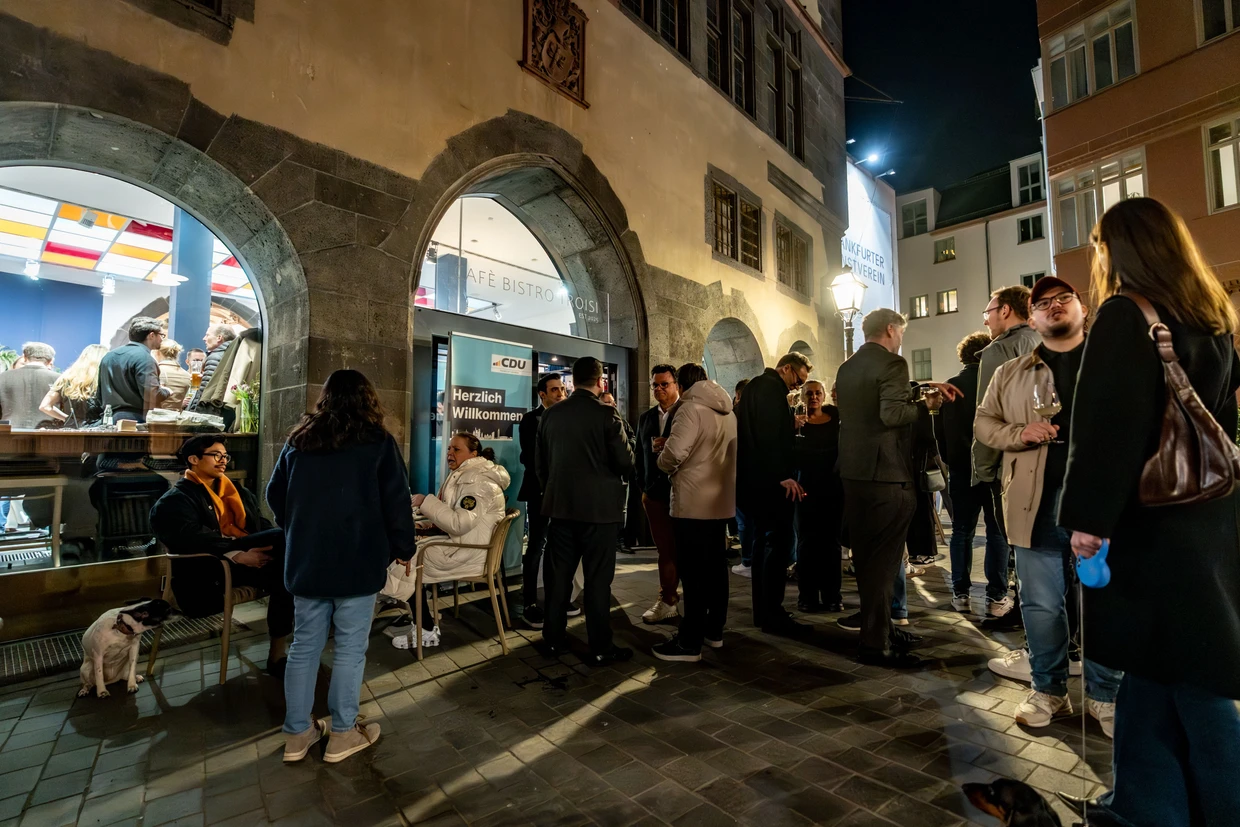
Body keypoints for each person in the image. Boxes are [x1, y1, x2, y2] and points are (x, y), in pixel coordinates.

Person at [1058, 198, 1240, 824]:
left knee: (1193, 684)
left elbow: (1108, 430)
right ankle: (1143, 805)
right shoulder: (1212, 317)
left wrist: (1088, 522)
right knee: (1163, 674)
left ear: (1120, 249)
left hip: (1154, 528)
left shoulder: (1126, 315)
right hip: (1209, 520)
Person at [974, 276, 1121, 736]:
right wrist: (1019, 434)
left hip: (1100, 502)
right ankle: (1049, 690)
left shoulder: (1112, 362)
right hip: (1034, 503)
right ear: (1032, 317)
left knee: (1100, 602)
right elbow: (983, 422)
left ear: (1082, 308)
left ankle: (1105, 696)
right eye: (1043, 303)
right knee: (1040, 605)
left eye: (1064, 299)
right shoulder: (1011, 372)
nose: (1053, 307)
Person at [266, 369, 416, 764]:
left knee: (304, 647)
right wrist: (403, 546)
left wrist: (299, 527)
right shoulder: (378, 442)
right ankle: (344, 732)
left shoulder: (299, 441)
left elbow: (274, 494)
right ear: (368, 399)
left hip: (308, 561)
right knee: (350, 648)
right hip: (358, 558)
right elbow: (396, 501)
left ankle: (297, 735)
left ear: (325, 397)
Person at [835, 309, 958, 667]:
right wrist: (925, 404)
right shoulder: (893, 364)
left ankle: (883, 629)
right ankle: (876, 643)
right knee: (885, 563)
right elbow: (892, 414)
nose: (901, 338)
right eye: (901, 332)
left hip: (855, 473)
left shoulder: (848, 366)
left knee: (870, 560)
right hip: (886, 475)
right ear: (890, 329)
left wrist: (919, 390)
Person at [149, 436, 292, 674]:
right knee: (284, 541)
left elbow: (260, 525)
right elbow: (193, 540)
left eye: (225, 455)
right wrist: (237, 554)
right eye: (216, 455)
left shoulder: (238, 492)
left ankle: (279, 655)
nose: (223, 460)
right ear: (193, 460)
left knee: (288, 570)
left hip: (246, 562)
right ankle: (321, 623)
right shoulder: (174, 501)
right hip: (210, 570)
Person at [535, 356, 634, 665]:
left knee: (558, 579)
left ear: (572, 382)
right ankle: (601, 647)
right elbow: (627, 464)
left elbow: (541, 466)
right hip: (600, 513)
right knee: (597, 581)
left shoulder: (551, 415)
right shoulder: (607, 415)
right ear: (600, 381)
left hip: (560, 510)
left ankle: (552, 640)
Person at [651, 363, 737, 663]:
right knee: (716, 569)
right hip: (719, 501)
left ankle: (689, 642)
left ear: (683, 386)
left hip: (692, 503)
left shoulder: (689, 409)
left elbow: (675, 454)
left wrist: (661, 459)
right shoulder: (728, 411)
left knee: (693, 573)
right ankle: (714, 632)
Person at [735, 352, 813, 636]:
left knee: (760, 544)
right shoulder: (771, 388)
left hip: (754, 481)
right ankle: (773, 612)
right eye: (798, 380)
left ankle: (762, 611)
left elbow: (756, 431)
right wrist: (783, 475)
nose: (797, 387)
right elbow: (767, 437)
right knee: (777, 545)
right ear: (786, 368)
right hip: (770, 483)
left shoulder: (755, 386)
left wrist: (787, 425)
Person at [937, 332, 1012, 615]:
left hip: (960, 468)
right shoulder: (996, 380)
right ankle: (996, 598)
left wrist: (951, 459)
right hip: (993, 467)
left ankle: (961, 594)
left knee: (961, 531)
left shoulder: (952, 385)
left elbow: (940, 432)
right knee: (996, 533)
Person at [972, 286, 1040, 488]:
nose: (985, 321)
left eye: (988, 313)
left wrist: (983, 470)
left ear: (1005, 310)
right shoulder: (1048, 341)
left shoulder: (1000, 349)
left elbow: (989, 415)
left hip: (1012, 466)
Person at [517, 373, 565, 629]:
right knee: (536, 544)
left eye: (562, 389)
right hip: (539, 491)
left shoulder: (570, 418)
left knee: (560, 547)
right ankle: (529, 602)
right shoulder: (529, 420)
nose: (560, 393)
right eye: (554, 390)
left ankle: (557, 598)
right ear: (542, 394)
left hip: (564, 493)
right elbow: (529, 457)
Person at [634, 364, 681, 624]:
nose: (659, 389)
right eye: (655, 385)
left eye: (665, 384)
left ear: (676, 385)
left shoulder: (686, 413)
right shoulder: (646, 418)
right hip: (654, 494)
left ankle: (679, 596)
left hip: (683, 492)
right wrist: (644, 487)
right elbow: (640, 454)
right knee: (664, 549)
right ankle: (668, 598)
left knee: (684, 548)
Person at [793, 379, 844, 614]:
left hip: (833, 489)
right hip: (806, 489)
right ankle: (807, 596)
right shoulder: (796, 423)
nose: (813, 397)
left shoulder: (835, 418)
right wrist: (793, 428)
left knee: (831, 544)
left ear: (823, 396)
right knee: (807, 544)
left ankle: (833, 596)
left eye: (817, 393)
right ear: (802, 397)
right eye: (809, 393)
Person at [96, 317, 169, 422]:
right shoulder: (145, 358)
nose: (162, 339)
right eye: (162, 335)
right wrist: (166, 391)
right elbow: (152, 395)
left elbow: (99, 394)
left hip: (108, 419)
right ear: (152, 335)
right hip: (134, 422)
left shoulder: (108, 356)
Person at [600, 391, 637, 555]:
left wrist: (627, 446)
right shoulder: (597, 424)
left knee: (623, 509)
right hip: (604, 477)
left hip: (622, 475)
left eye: (613, 402)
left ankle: (620, 539)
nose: (613, 405)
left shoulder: (622, 422)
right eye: (609, 402)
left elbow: (633, 439)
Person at [39, 344, 106, 428]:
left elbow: (45, 406)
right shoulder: (105, 378)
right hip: (98, 430)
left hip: (72, 430)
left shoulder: (67, 377)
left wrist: (67, 419)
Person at [730, 378, 755, 578]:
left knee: (744, 521)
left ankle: (748, 560)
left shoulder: (734, 416)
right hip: (752, 474)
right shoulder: (758, 415)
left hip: (737, 474)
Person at [0, 343, 57, 429]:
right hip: (48, 434)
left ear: (25, 357)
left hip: (9, 433)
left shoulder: (3, 377)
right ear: (50, 361)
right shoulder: (59, 379)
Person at [187, 324, 237, 411]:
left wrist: (194, 409)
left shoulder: (215, 356)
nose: (204, 338)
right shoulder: (234, 353)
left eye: (207, 335)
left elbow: (207, 389)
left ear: (219, 338)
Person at [156, 339, 193, 411]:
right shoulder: (187, 375)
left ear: (158, 353)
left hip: (156, 417)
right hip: (177, 417)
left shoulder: (155, 372)